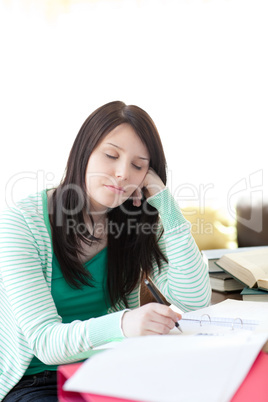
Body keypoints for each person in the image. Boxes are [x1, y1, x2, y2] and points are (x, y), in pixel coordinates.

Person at [0, 101, 211, 401]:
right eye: (111, 155)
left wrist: (165, 203)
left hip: (111, 368)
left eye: (138, 166)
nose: (123, 173)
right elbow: (45, 343)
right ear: (84, 152)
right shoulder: (20, 223)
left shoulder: (135, 222)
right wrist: (125, 323)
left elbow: (194, 299)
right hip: (36, 380)